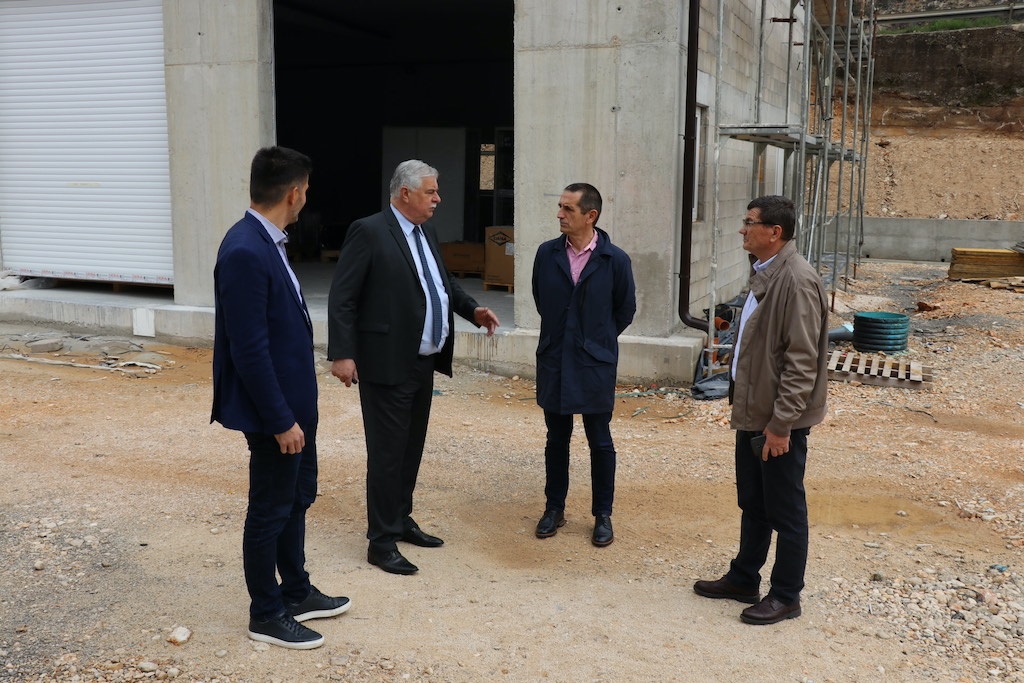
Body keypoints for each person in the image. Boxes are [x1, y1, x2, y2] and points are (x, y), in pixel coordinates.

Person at [327, 159, 500, 575]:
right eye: (431, 191)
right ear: (405, 193)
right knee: (387, 454)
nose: (438, 198)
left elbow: (442, 283)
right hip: (386, 361)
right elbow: (343, 296)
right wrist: (343, 353)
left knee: (409, 449)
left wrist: (472, 310)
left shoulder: (426, 232)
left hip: (422, 362)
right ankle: (381, 541)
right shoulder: (370, 231)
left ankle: (400, 519)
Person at [212, 146, 350, 650]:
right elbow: (248, 349)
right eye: (306, 191)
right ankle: (266, 614)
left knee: (296, 499)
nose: (306, 199)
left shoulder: (268, 242)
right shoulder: (245, 250)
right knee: (270, 509)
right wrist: (279, 420)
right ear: (294, 193)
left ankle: (296, 591)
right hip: (276, 415)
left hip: (294, 407)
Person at [693, 195, 829, 625]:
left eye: (749, 222)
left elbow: (802, 362)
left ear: (775, 232)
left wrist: (782, 425)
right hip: (756, 412)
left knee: (785, 509)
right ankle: (743, 578)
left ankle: (786, 595)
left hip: (777, 420)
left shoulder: (797, 281)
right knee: (753, 500)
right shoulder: (766, 272)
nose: (742, 228)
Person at [532, 182, 636, 547]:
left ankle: (602, 515)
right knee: (556, 438)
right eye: (560, 207)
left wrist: (594, 340)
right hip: (555, 358)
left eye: (568, 209)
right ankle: (554, 508)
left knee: (600, 440)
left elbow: (624, 310)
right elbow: (541, 300)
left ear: (590, 215)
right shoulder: (546, 254)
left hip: (594, 363)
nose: (559, 214)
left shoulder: (615, 259)